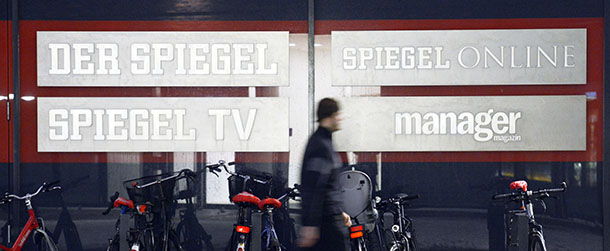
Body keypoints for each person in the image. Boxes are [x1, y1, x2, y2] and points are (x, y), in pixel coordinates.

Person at [297, 98, 351, 251]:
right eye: (338, 114)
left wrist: (339, 211)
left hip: (329, 219)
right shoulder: (320, 145)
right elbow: (313, 186)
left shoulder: (324, 142)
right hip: (325, 223)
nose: (340, 118)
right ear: (330, 116)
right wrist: (310, 224)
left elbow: (327, 185)